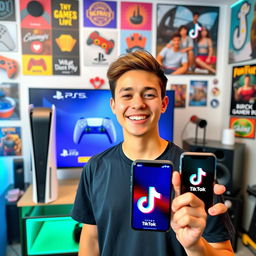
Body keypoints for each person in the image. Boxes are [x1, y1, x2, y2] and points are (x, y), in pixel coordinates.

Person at [71, 50, 234, 256]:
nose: (138, 104)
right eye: (127, 95)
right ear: (113, 105)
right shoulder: (95, 167)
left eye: (149, 94)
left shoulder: (193, 172)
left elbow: (225, 251)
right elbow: (91, 239)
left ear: (164, 104)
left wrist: (196, 247)